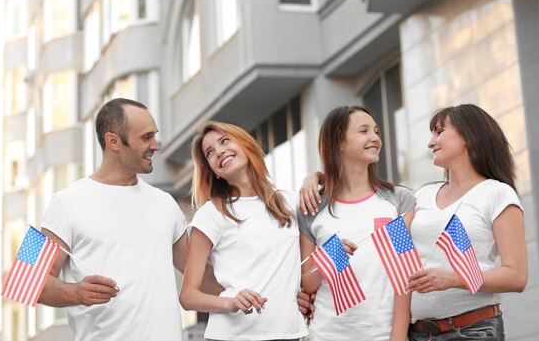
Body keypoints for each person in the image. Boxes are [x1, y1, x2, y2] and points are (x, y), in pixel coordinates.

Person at [38, 98, 221, 341]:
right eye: (146, 138)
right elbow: (27, 279)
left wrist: (271, 295)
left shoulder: (165, 203)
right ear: (113, 141)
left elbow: (201, 276)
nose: (155, 145)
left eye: (154, 136)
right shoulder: (64, 203)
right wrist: (77, 292)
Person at [406, 104, 528, 341]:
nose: (431, 143)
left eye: (439, 132)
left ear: (468, 137)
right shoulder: (421, 196)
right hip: (417, 334)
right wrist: (318, 179)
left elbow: (517, 277)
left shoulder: (497, 194)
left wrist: (451, 278)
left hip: (473, 331)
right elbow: (393, 253)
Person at [179, 121, 309, 341]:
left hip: (289, 333)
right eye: (210, 152)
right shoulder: (211, 214)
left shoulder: (290, 203)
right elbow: (188, 296)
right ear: (213, 171)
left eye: (225, 141)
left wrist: (313, 177)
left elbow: (310, 262)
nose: (219, 151)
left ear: (245, 145)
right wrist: (229, 302)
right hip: (232, 336)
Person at [298, 105, 416, 341]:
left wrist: (397, 337)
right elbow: (308, 282)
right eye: (364, 131)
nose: (375, 138)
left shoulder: (399, 202)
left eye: (376, 131)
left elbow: (406, 277)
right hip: (325, 334)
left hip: (382, 335)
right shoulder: (312, 208)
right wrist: (330, 256)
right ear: (340, 142)